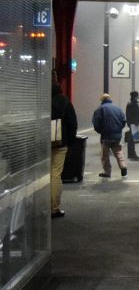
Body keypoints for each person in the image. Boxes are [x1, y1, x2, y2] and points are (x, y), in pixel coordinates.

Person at [51, 82, 77, 217]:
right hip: (59, 142)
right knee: (55, 174)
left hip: (42, 142)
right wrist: (71, 141)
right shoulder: (64, 101)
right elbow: (72, 123)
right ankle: (54, 208)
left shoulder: (42, 100)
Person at [92, 93, 127, 178]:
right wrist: (118, 130)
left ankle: (107, 172)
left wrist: (101, 131)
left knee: (105, 154)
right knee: (118, 151)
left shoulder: (100, 109)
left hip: (106, 135)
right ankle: (123, 166)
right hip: (117, 135)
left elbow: (96, 123)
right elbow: (123, 121)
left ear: (102, 100)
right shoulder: (118, 108)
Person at [125, 90, 139, 161]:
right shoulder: (133, 104)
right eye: (138, 95)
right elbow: (135, 115)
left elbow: (129, 115)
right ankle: (132, 154)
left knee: (133, 139)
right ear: (136, 96)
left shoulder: (131, 103)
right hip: (134, 124)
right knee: (132, 140)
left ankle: (132, 154)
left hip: (132, 123)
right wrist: (137, 123)